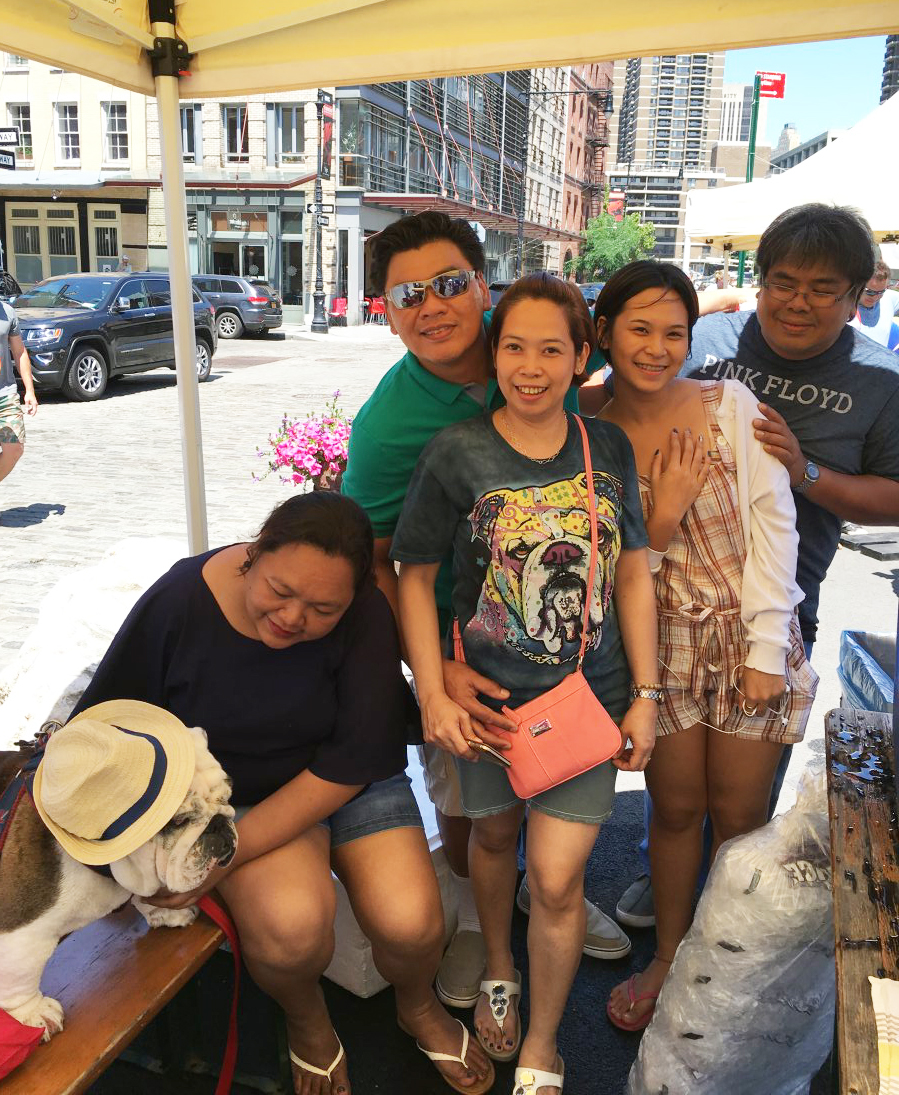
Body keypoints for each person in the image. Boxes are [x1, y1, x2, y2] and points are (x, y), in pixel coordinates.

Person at [71, 492, 494, 1095]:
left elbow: (352, 764)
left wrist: (222, 859)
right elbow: (108, 719)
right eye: (280, 590)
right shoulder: (179, 598)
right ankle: (308, 1019)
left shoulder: (367, 612)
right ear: (253, 553)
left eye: (323, 608)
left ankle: (418, 1004)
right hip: (234, 792)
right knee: (293, 932)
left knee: (412, 926)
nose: (294, 617)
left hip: (347, 779)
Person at [341, 212, 634, 1014]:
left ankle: (550, 896)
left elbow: (628, 356)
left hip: (569, 637)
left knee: (557, 804)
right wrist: (429, 672)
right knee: (470, 802)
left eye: (447, 284)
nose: (430, 306)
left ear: (482, 284)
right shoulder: (389, 424)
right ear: (385, 309)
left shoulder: (532, 337)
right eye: (407, 294)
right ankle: (482, 918)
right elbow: (370, 558)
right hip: (457, 645)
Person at [393, 273, 658, 1094]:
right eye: (514, 346)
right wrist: (434, 691)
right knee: (495, 842)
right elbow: (413, 571)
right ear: (493, 353)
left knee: (555, 877)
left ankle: (544, 1035)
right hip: (487, 706)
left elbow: (636, 574)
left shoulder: (604, 447)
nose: (531, 365)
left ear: (583, 356)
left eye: (552, 348)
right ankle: (500, 967)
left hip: (585, 699)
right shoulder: (458, 452)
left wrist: (646, 694)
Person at [615, 203, 899, 931]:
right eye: (781, 281)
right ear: (760, 280)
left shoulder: (880, 379)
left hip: (777, 599)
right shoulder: (707, 341)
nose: (796, 300)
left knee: (740, 804)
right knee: (674, 802)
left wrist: (805, 473)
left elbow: (890, 498)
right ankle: (674, 902)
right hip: (661, 604)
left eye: (821, 288)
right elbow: (633, 370)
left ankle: (724, 936)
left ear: (857, 293)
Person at [596, 261, 817, 1031]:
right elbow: (606, 570)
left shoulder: (728, 404)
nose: (657, 348)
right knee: (674, 805)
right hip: (657, 647)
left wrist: (763, 650)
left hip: (744, 633)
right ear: (603, 332)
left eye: (674, 333)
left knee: (738, 810)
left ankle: (728, 954)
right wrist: (659, 525)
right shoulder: (589, 429)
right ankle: (669, 953)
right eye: (639, 329)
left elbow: (774, 526)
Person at [0, 300, 37, 485]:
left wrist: (29, 391)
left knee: (14, 448)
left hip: (5, 394)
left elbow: (19, 351)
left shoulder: (7, 312)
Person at [849, 258, 899, 349]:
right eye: (869, 292)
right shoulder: (844, 306)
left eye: (881, 292)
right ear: (859, 285)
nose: (875, 297)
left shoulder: (889, 298)